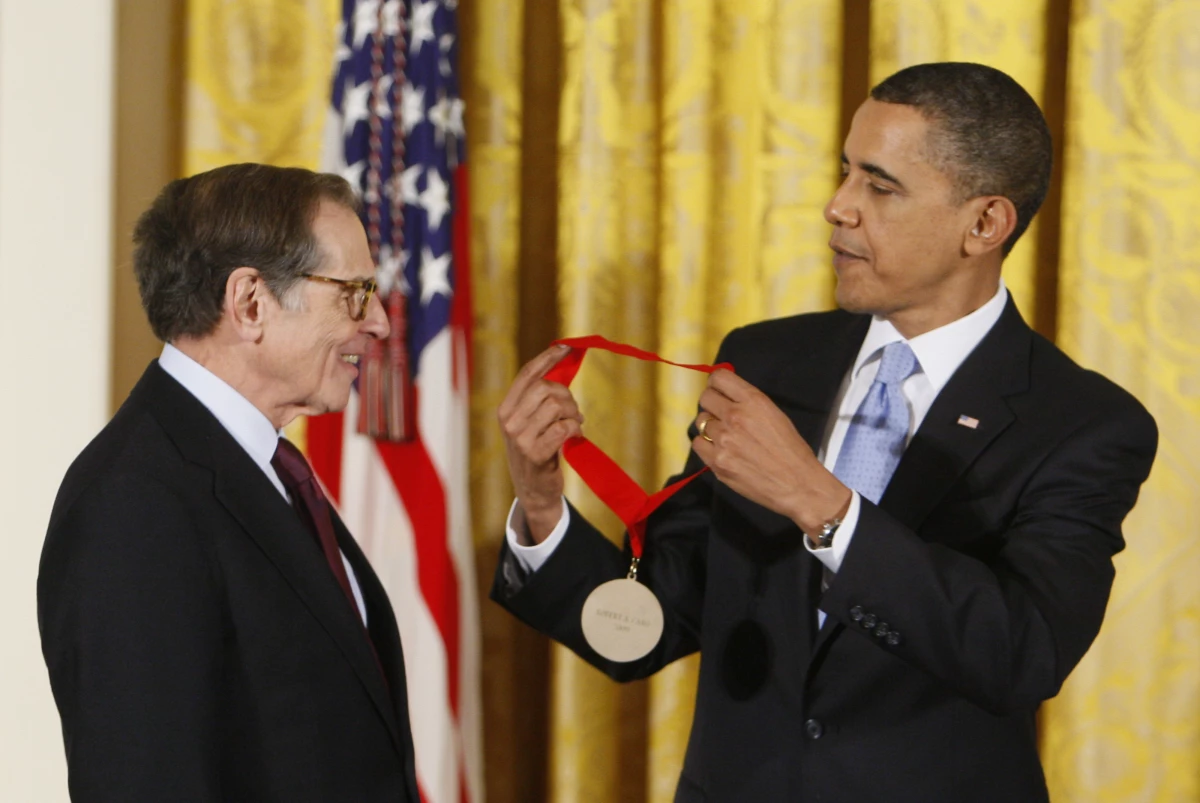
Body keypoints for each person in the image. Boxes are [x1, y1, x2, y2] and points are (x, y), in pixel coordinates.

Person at [492, 62, 1158, 802]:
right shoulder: (769, 360)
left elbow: (1019, 652)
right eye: (845, 173)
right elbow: (656, 620)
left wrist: (822, 504)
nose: (837, 208)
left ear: (984, 223)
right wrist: (545, 508)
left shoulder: (1085, 423)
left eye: (879, 186)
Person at [38, 163, 420, 801]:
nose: (378, 321)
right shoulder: (134, 504)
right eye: (353, 292)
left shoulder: (264, 472)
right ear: (249, 303)